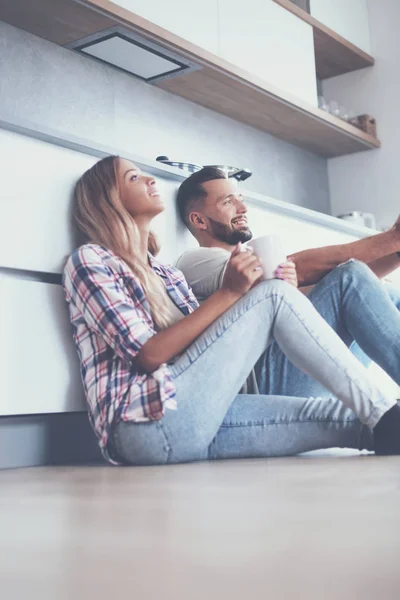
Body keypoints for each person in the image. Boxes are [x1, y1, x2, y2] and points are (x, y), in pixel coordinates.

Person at [63, 155, 400, 467]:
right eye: (134, 177)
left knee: (352, 420)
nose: (150, 178)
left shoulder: (166, 274)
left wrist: (278, 291)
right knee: (276, 295)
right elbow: (148, 355)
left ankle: (383, 418)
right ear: (109, 200)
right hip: (145, 424)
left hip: (202, 413)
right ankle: (384, 412)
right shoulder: (91, 260)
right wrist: (233, 292)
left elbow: (204, 346)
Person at [175, 167, 400, 400]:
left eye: (241, 200)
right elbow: (308, 270)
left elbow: (344, 292)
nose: (243, 209)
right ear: (198, 220)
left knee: (387, 293)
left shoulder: (259, 276)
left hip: (289, 367)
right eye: (227, 202)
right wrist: (393, 238)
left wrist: (396, 254)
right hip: (263, 384)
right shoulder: (196, 260)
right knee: (350, 276)